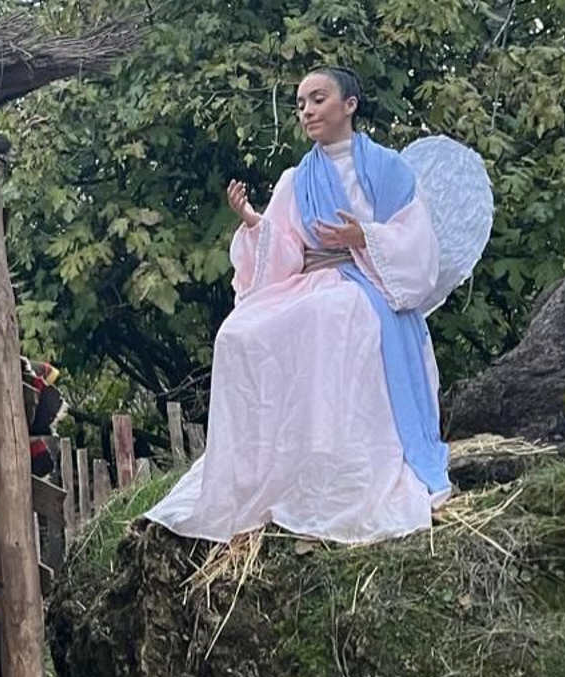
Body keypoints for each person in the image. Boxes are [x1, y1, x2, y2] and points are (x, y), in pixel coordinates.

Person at [144, 66, 451, 543]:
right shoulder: (296, 179)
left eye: (318, 98)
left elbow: (416, 245)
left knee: (330, 317)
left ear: (349, 105)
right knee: (240, 332)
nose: (306, 109)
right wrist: (253, 222)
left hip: (366, 286)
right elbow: (284, 249)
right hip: (312, 281)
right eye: (301, 102)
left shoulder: (390, 170)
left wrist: (364, 237)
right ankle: (264, 466)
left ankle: (343, 463)